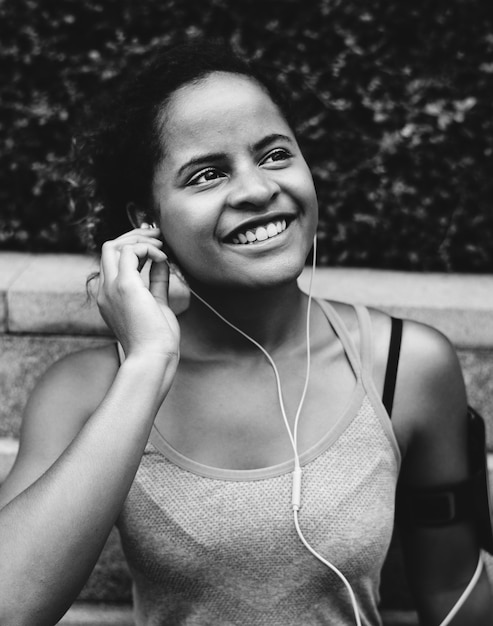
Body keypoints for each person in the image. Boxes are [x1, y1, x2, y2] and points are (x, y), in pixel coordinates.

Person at [0, 40, 491, 626]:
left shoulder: (406, 366)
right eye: (207, 174)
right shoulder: (85, 391)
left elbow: (456, 593)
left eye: (276, 154)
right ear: (145, 221)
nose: (258, 190)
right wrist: (147, 365)